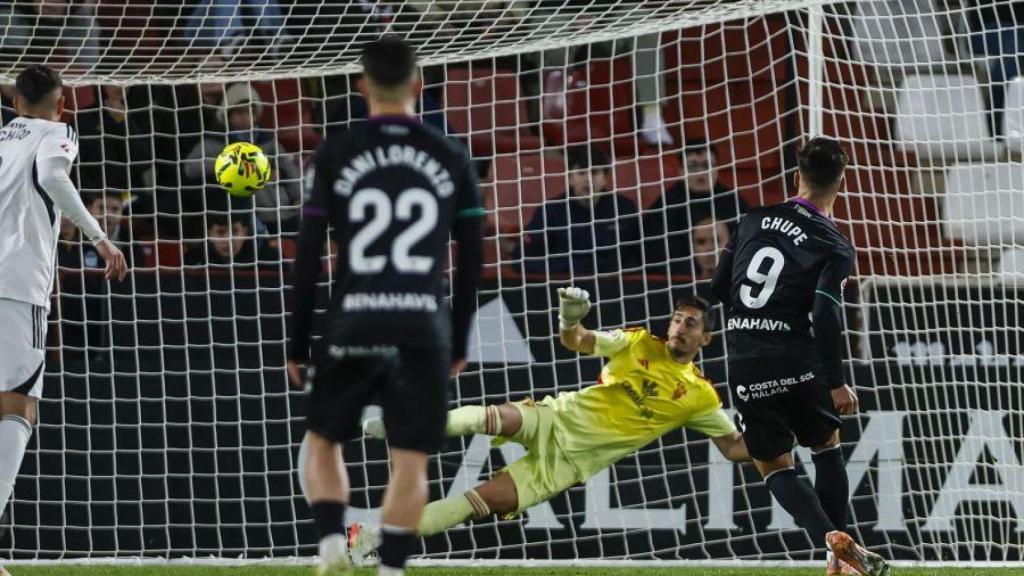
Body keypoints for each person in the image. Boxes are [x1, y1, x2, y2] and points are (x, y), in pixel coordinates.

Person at [287, 37, 484, 576]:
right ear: (419, 84)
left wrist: (298, 340)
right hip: (422, 323)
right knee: (411, 457)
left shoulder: (336, 151)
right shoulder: (451, 154)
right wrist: (459, 339)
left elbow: (307, 257)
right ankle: (392, 569)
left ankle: (330, 547)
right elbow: (471, 261)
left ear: (361, 86)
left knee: (324, 439)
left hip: (354, 317)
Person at [351, 291, 747, 549]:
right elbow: (578, 340)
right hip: (556, 417)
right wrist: (568, 318)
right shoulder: (639, 341)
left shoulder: (700, 397)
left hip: (565, 466)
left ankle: (375, 537)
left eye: (690, 323)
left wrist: (789, 435)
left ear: (706, 339)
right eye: (677, 318)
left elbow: (732, 448)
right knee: (488, 417)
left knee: (473, 504)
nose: (679, 327)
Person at [711, 137, 888, 576]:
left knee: (771, 463)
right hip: (797, 358)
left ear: (797, 176)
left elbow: (718, 289)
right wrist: (835, 380)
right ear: (842, 182)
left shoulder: (752, 220)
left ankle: (831, 543)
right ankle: (841, 556)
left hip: (747, 357)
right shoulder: (836, 244)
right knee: (826, 445)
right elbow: (826, 313)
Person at [0, 65, 127, 576]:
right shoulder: (58, 133)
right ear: (61, 102)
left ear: (14, 103)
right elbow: (53, 175)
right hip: (16, 287)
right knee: (19, 407)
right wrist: (99, 236)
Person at [182, 82, 303, 235]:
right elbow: (191, 167)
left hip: (280, 210)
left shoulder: (267, 141)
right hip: (238, 216)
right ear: (228, 114)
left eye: (250, 113)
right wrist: (235, 165)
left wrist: (298, 197)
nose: (246, 117)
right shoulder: (214, 141)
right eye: (239, 113)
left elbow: (289, 170)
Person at [519, 145, 641, 275]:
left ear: (605, 178)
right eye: (581, 173)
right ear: (570, 178)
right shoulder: (550, 211)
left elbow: (638, 256)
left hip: (614, 286)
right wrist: (568, 267)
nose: (588, 179)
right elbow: (523, 259)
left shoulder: (624, 208)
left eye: (594, 172)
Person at [643, 138, 749, 277]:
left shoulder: (733, 202)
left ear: (717, 169)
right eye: (693, 166)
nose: (700, 172)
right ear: (681, 171)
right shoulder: (666, 204)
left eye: (706, 165)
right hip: (680, 281)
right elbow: (656, 254)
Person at [183, 213, 279, 268]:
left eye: (235, 231)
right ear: (210, 234)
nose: (228, 239)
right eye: (220, 232)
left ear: (245, 232)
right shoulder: (194, 261)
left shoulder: (271, 259)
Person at [691, 216, 731, 280]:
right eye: (701, 242)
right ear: (693, 247)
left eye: (716, 240)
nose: (709, 248)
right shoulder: (679, 279)